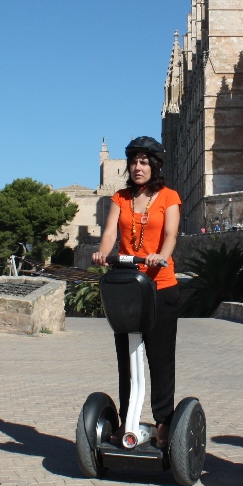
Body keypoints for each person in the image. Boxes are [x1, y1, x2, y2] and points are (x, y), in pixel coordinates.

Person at [92, 136, 182, 448]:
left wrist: (162, 255)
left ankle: (163, 421)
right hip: (129, 287)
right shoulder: (120, 197)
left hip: (160, 286)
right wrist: (103, 253)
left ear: (154, 165)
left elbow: (170, 234)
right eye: (134, 162)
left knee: (160, 358)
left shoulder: (169, 197)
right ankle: (128, 416)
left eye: (144, 162)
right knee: (126, 358)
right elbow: (109, 233)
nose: (138, 167)